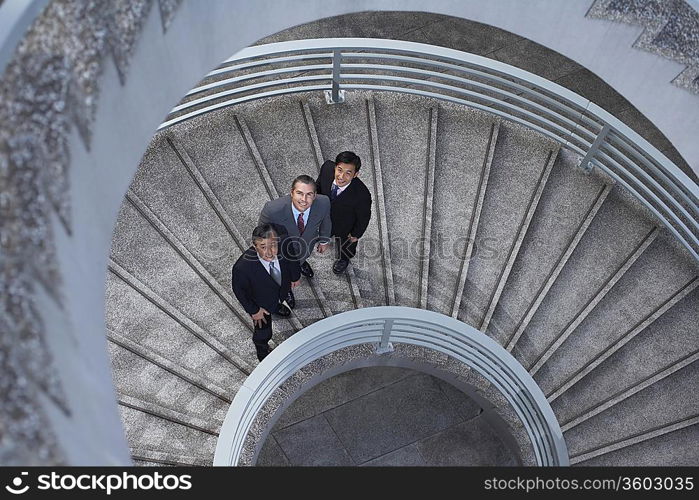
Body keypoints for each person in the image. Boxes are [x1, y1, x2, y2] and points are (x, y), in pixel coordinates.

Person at [231, 224, 301, 361]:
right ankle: (261, 348)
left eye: (273, 245)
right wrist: (254, 310)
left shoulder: (284, 244)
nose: (270, 252)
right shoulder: (243, 267)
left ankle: (276, 306)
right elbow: (239, 291)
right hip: (261, 304)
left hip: (279, 292)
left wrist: (295, 276)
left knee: (276, 301)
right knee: (263, 331)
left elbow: (292, 259)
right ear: (254, 245)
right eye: (263, 247)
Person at [258, 175, 331, 286]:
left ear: (315, 195)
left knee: (301, 258)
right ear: (292, 193)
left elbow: (326, 221)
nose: (304, 200)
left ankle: (301, 264)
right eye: (300, 193)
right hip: (282, 252)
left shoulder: (324, 202)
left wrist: (324, 241)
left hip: (306, 245)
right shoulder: (272, 210)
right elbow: (262, 235)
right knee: (284, 275)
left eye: (309, 194)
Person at [316, 151, 372, 274]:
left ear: (355, 174)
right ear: (335, 167)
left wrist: (356, 234)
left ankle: (344, 259)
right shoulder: (327, 169)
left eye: (348, 173)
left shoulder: (362, 195)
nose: (341, 176)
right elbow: (319, 185)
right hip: (325, 218)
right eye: (339, 170)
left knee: (346, 246)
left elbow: (364, 217)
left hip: (345, 226)